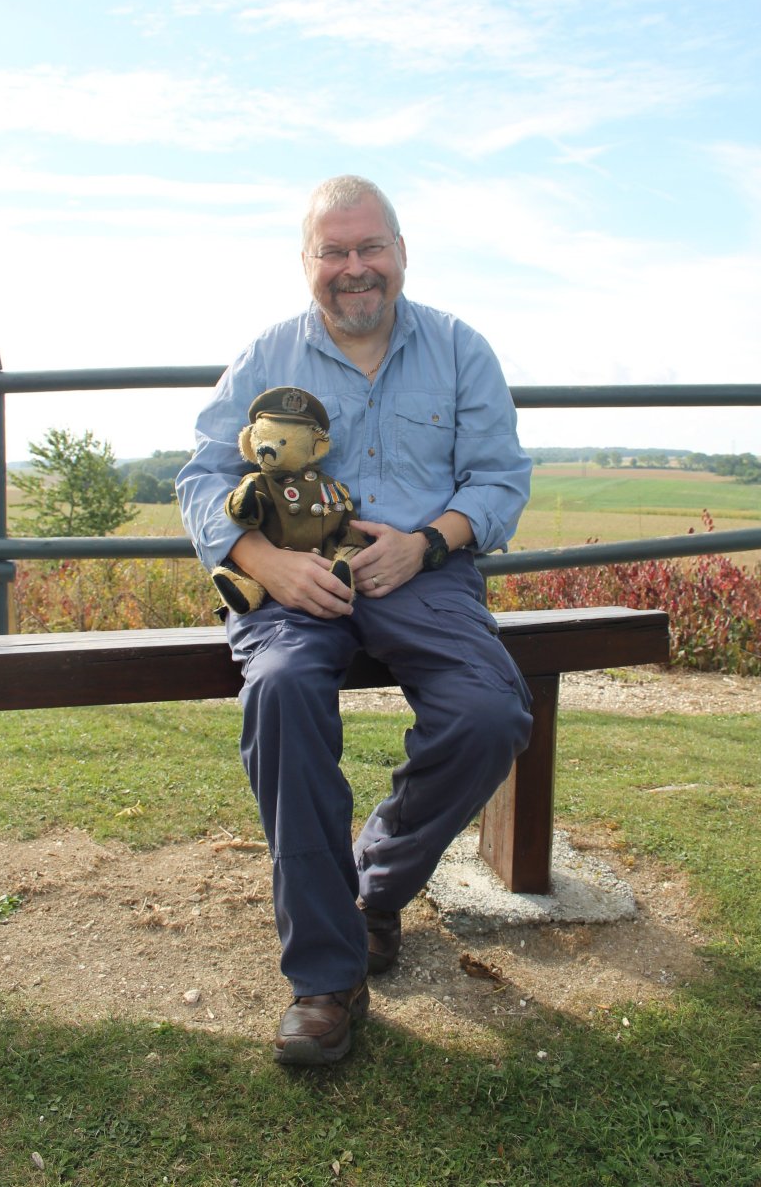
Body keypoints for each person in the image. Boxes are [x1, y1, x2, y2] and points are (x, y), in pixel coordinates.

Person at [176, 175, 534, 1066]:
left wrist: (426, 543)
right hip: (296, 582)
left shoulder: (459, 349)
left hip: (423, 574)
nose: (353, 268)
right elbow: (198, 479)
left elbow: (497, 480)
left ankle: (372, 889)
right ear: (308, 264)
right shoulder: (266, 354)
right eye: (332, 252)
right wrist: (264, 561)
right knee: (286, 692)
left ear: (402, 251)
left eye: (369, 246)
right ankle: (325, 981)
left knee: (491, 714)